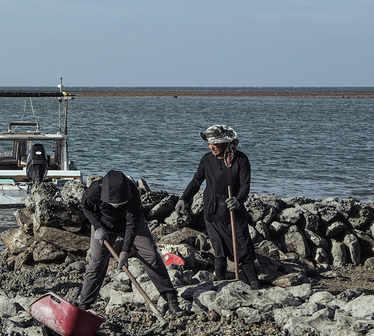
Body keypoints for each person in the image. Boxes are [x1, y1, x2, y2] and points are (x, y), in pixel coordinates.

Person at [79, 169, 181, 314]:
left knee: (151, 255)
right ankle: (84, 306)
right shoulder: (94, 190)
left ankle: (171, 301)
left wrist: (125, 251)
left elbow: (131, 224)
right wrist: (98, 227)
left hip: (133, 224)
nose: (117, 205)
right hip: (103, 226)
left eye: (121, 202)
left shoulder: (132, 191)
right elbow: (86, 207)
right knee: (96, 263)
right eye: (114, 203)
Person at [179, 124, 259, 287]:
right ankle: (220, 284)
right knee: (219, 252)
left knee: (243, 250)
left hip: (233, 214)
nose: (211, 146)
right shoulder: (207, 160)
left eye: (214, 143)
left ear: (226, 143)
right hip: (212, 212)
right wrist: (183, 199)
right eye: (209, 143)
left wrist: (238, 200)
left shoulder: (240, 160)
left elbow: (245, 185)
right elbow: (196, 182)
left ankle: (255, 284)